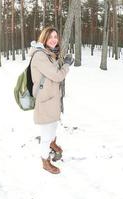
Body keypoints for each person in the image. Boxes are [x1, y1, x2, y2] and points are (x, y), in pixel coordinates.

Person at [28, 27, 74, 174]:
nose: (54, 39)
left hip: (52, 99)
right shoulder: (40, 56)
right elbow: (58, 76)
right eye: (50, 37)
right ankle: (45, 161)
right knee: (46, 134)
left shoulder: (48, 54)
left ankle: (52, 144)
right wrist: (66, 64)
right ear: (44, 38)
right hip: (46, 100)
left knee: (52, 126)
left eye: (56, 36)